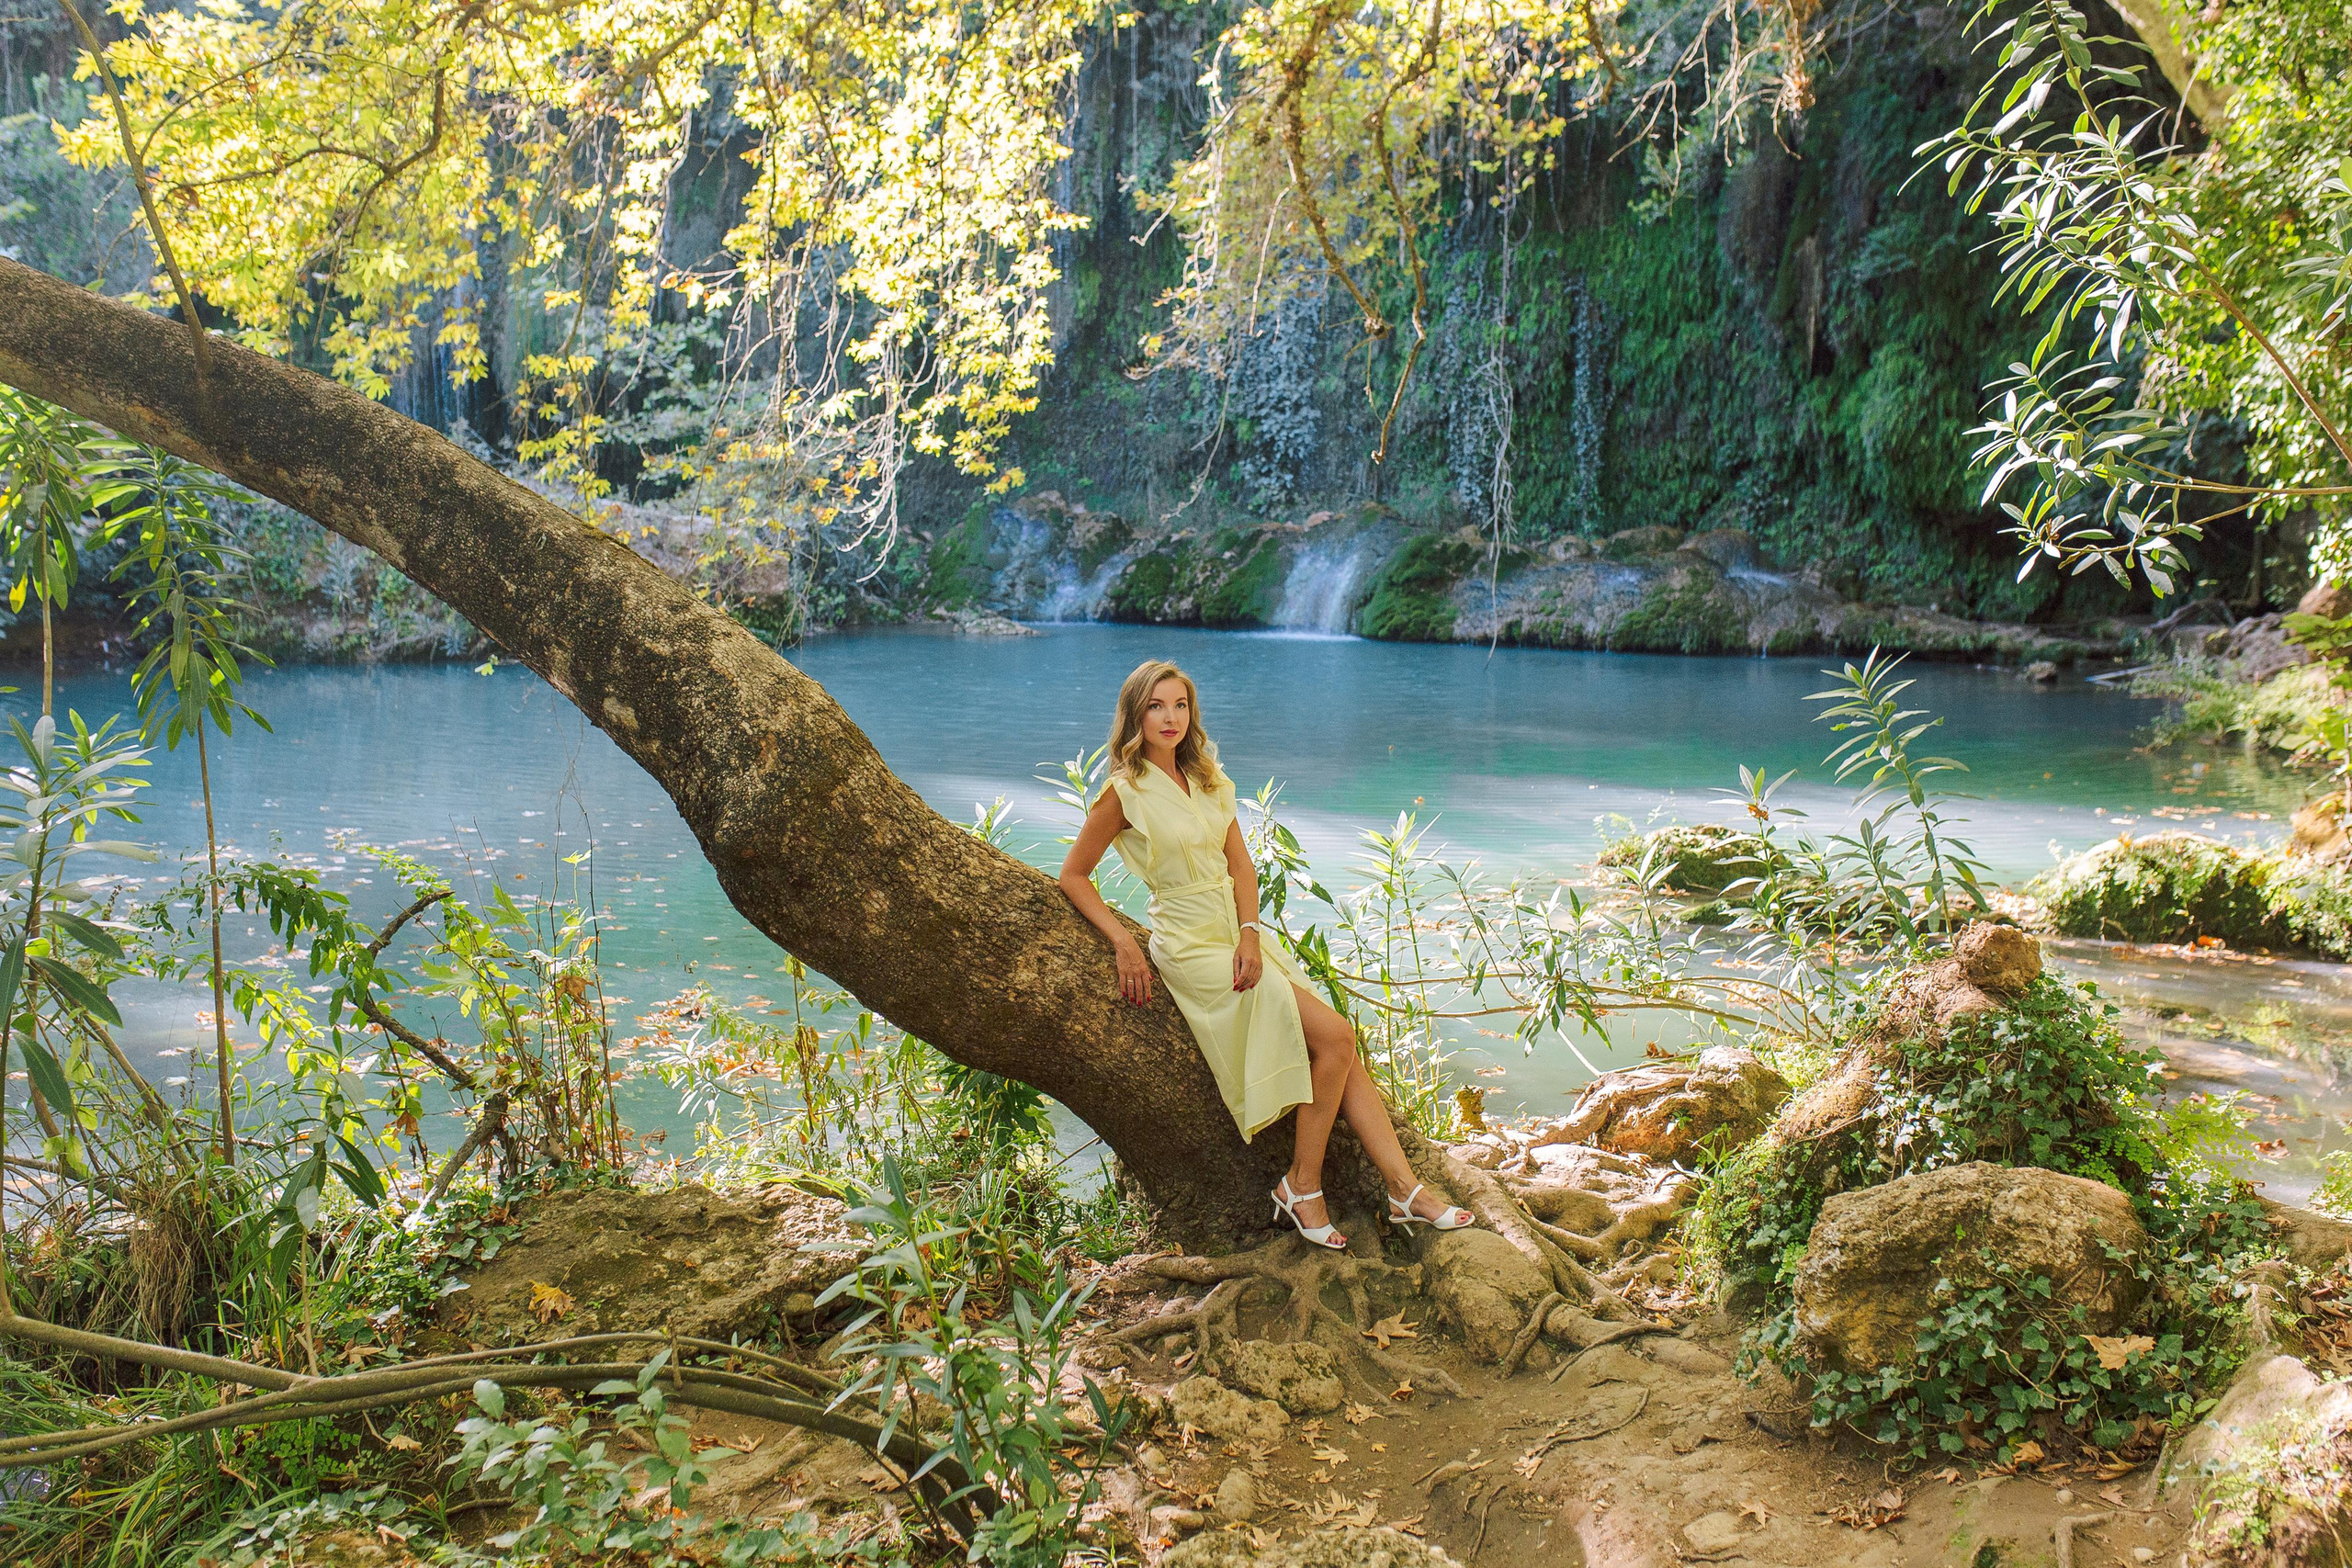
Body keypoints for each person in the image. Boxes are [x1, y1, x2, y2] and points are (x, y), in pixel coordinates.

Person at [1057, 658, 1475, 1249]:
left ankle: (1403, 1188)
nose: (1170, 718)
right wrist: (1124, 942)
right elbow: (1073, 876)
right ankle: (1304, 1186)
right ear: (1135, 714)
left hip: (1236, 931)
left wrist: (1251, 933)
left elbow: (1242, 867)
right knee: (1333, 1037)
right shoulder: (1124, 793)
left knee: (1339, 1045)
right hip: (1187, 942)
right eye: (1156, 706)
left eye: (1180, 705)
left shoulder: (1208, 780)